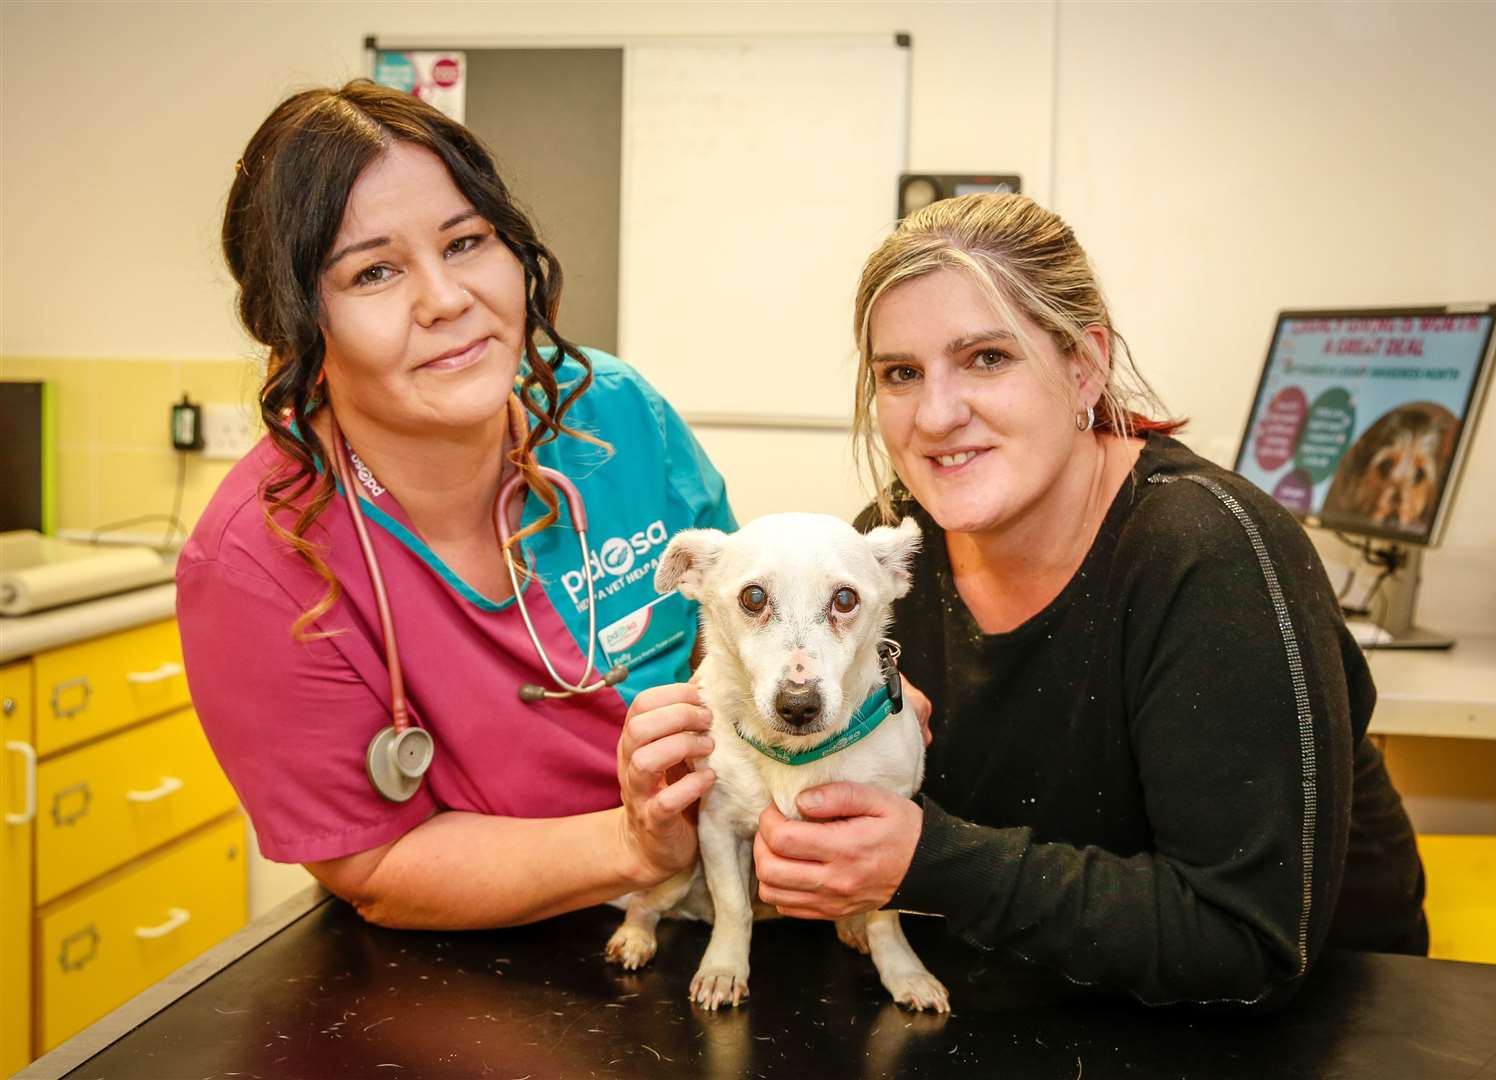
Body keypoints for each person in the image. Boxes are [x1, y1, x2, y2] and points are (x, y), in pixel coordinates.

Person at [750, 193, 1427, 1009]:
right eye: (901, 374)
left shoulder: (1211, 556)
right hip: (1024, 995)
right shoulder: (890, 550)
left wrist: (928, 863)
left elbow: (1251, 942)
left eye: (986, 358)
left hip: (1309, 1022)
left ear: (1084, 365)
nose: (935, 415)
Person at [177, 82, 732, 929]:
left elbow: (737, 635)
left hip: (730, 901)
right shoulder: (259, 560)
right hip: (482, 967)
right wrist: (636, 846)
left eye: (466, 241)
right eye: (374, 271)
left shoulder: (615, 415)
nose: (444, 299)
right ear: (297, 329)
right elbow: (376, 865)